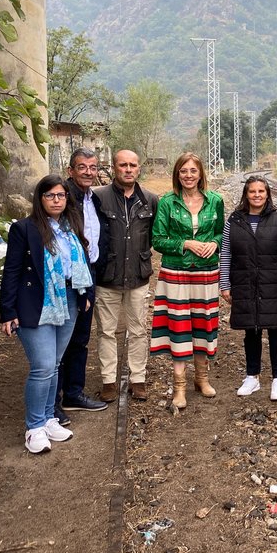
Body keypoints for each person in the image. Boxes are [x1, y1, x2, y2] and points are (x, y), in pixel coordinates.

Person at [0, 175, 94, 454]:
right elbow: (12, 271)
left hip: (68, 299)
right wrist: (8, 311)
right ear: (39, 199)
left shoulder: (70, 227)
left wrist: (86, 294)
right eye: (50, 195)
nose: (57, 200)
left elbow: (82, 262)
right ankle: (34, 427)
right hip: (36, 303)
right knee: (41, 365)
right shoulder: (24, 229)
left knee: (54, 364)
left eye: (61, 195)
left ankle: (49, 418)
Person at [150, 152, 224, 408]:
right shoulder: (167, 203)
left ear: (201, 173)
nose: (189, 176)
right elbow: (157, 240)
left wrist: (214, 244)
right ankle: (179, 386)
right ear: (177, 174)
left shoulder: (215, 201)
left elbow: (222, 234)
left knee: (204, 324)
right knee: (179, 326)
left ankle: (202, 378)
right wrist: (186, 243)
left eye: (193, 171)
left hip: (206, 272)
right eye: (184, 171)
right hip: (176, 273)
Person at [219, 176, 277, 401]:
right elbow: (226, 254)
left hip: (274, 281)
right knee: (251, 330)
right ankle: (252, 377)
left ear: (267, 194)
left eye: (261, 191)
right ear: (246, 194)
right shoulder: (233, 220)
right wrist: (225, 283)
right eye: (252, 191)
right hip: (244, 282)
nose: (256, 195)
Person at [93, 150, 159, 402]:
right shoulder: (98, 198)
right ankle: (109, 381)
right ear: (114, 168)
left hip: (138, 277)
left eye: (132, 165)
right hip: (107, 277)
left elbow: (153, 236)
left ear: (139, 169)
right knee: (106, 331)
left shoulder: (150, 200)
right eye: (123, 165)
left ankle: (138, 379)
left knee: (139, 330)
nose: (128, 169)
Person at [54, 148, 108, 425]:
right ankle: (53, 402)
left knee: (81, 338)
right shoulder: (64, 198)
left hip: (90, 274)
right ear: (70, 170)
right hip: (69, 278)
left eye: (92, 167)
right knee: (61, 340)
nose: (88, 172)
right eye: (82, 167)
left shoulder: (92, 198)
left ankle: (73, 393)